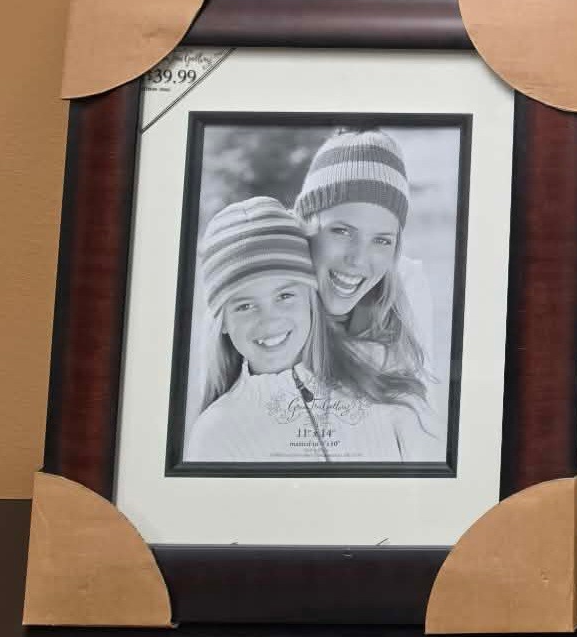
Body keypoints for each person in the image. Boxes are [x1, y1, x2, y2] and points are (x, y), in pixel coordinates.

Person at [184, 196, 426, 464]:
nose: (269, 321)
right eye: (245, 306)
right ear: (222, 323)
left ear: (311, 298)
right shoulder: (216, 433)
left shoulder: (380, 379)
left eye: (285, 296)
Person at [292, 127, 432, 390]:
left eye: (382, 240)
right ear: (305, 228)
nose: (358, 259)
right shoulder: (261, 292)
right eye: (342, 231)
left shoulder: (404, 291)